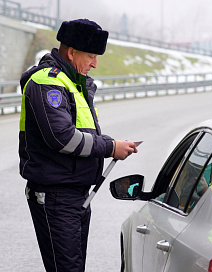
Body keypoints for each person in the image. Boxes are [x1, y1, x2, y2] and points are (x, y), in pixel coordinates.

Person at [18, 19, 138, 272]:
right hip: (55, 197)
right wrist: (110, 147)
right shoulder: (47, 83)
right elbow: (62, 137)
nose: (95, 64)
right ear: (71, 53)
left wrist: (112, 146)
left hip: (74, 195)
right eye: (91, 56)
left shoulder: (73, 83)